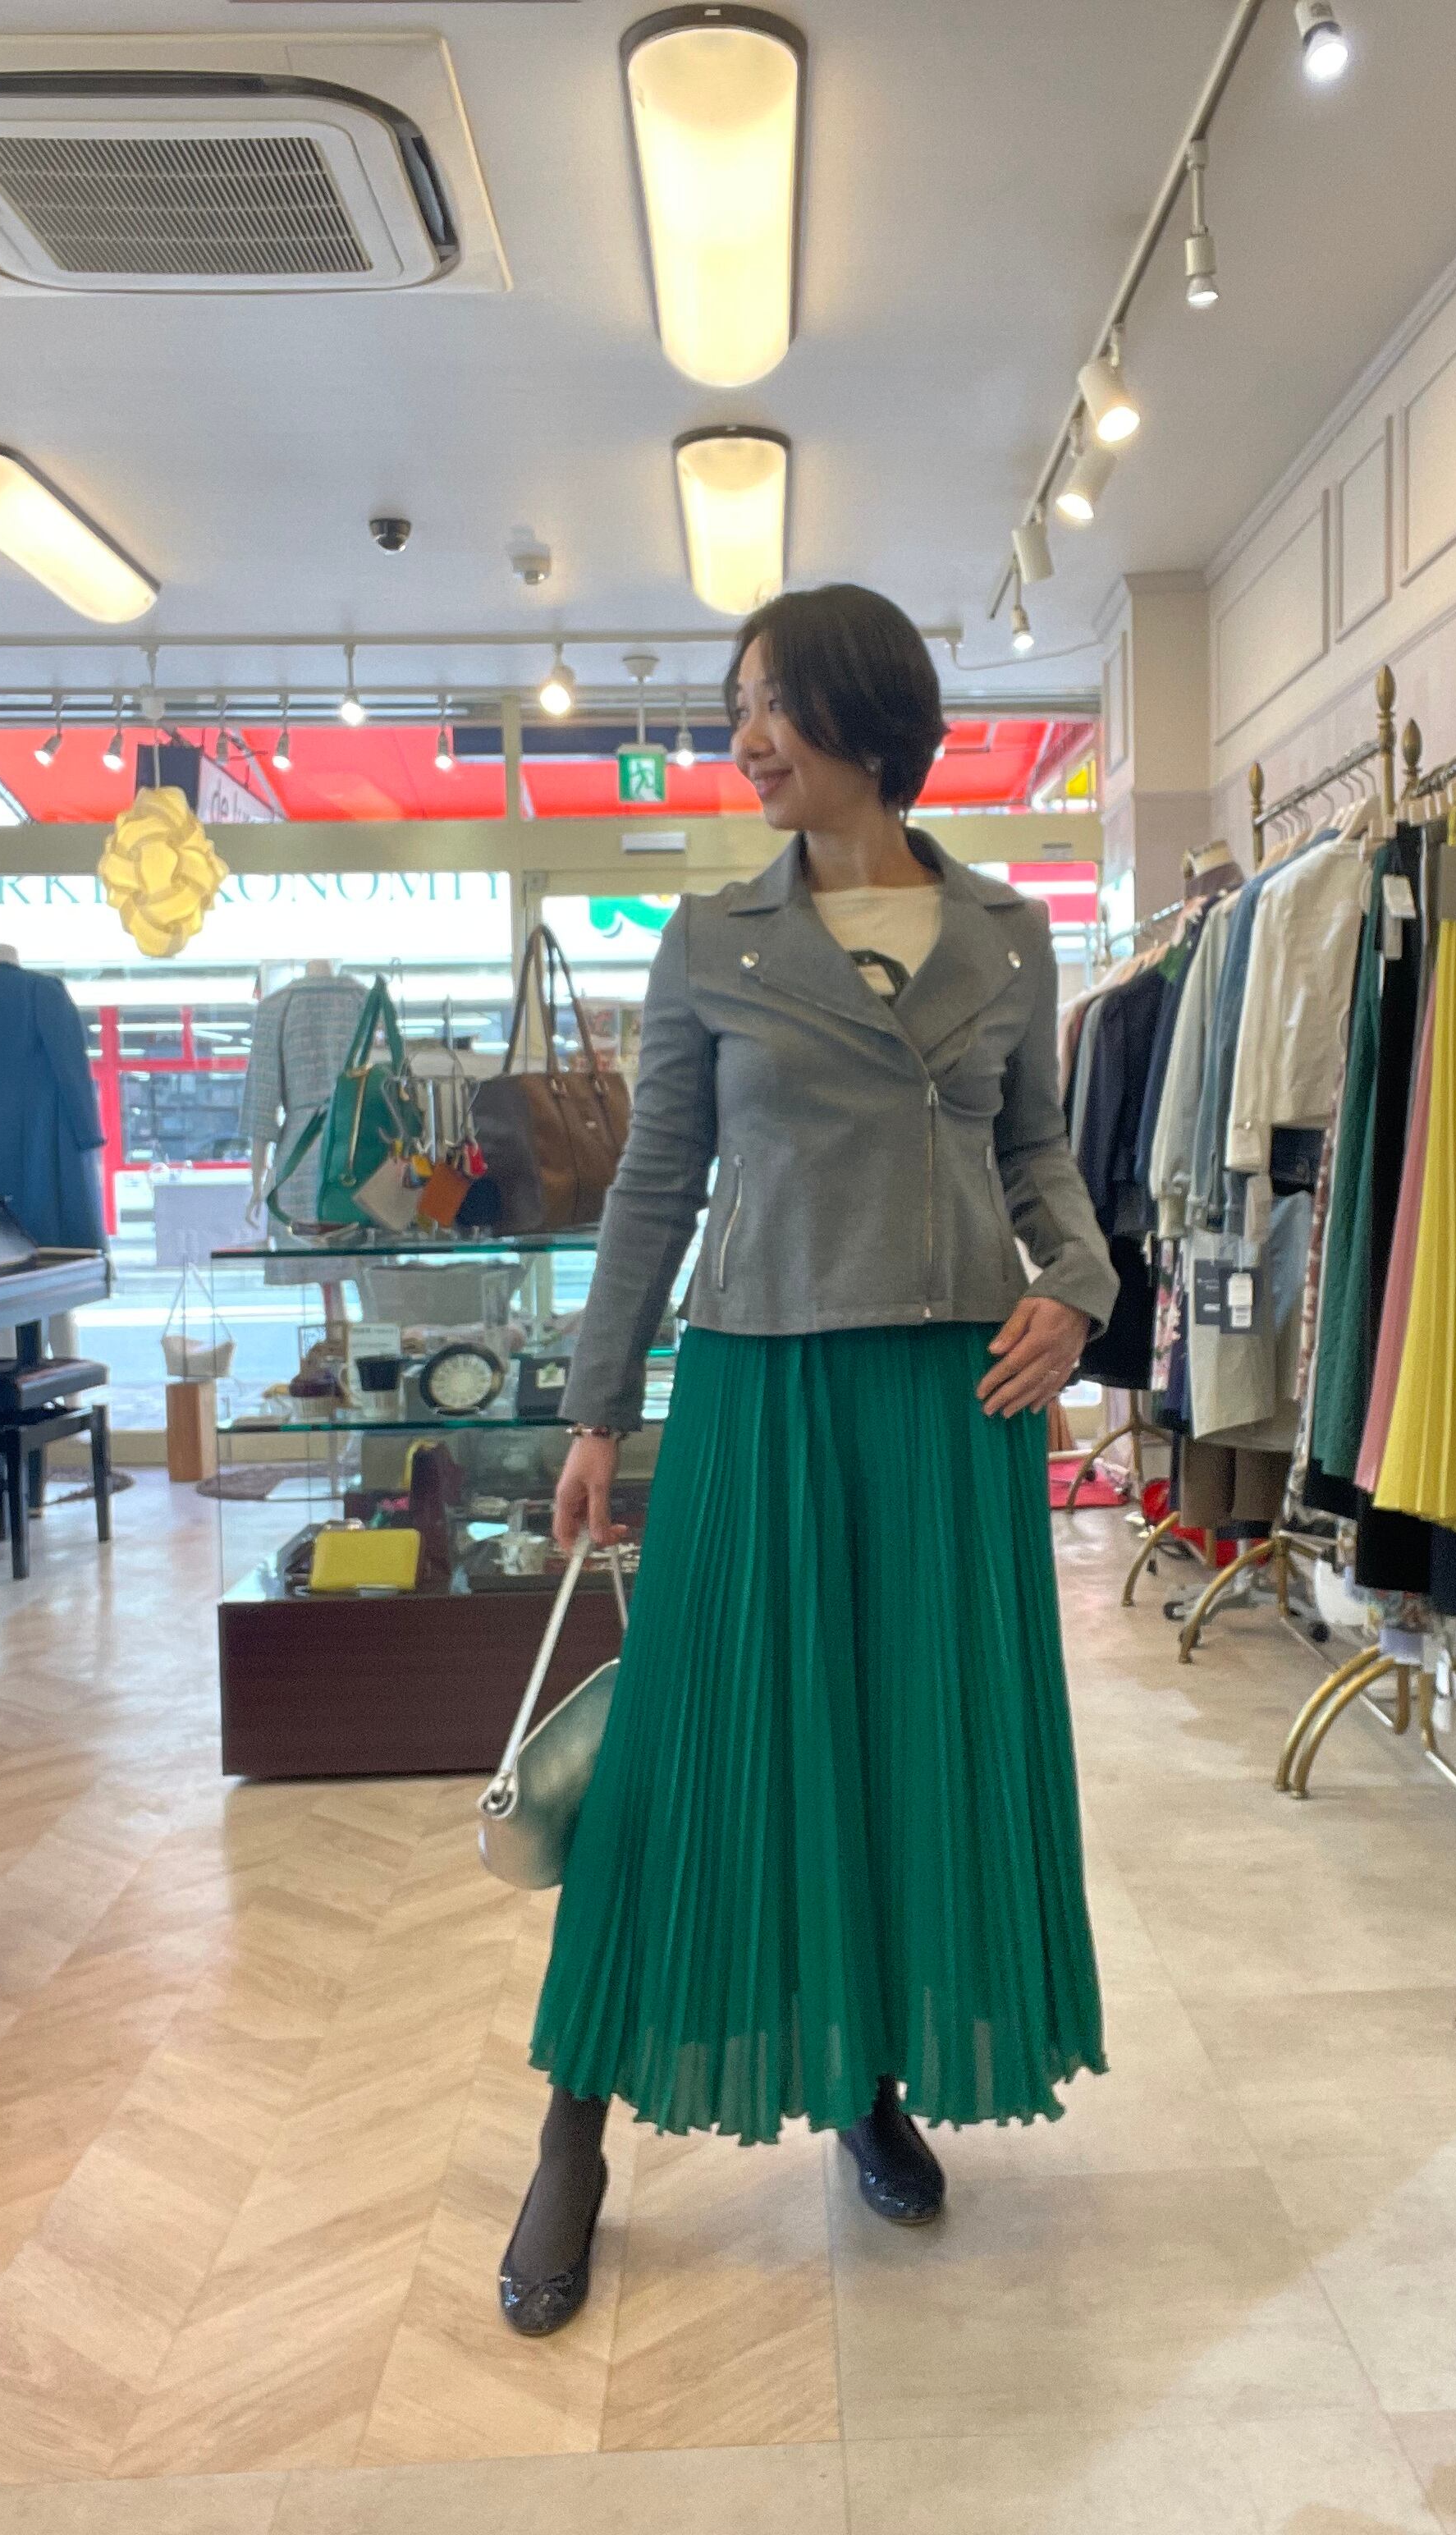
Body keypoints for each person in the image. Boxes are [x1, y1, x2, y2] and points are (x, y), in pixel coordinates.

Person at [500, 582, 1119, 2336]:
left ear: (867, 710)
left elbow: (1040, 1155)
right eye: (739, 705)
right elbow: (654, 1185)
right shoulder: (712, 939)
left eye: (772, 700)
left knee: (905, 1745)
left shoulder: (1008, 932)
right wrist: (597, 1410)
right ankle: (572, 2134)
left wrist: (1079, 1285)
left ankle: (867, 2082)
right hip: (759, 1394)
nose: (746, 736)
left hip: (950, 1404)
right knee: (685, 1757)